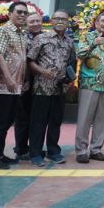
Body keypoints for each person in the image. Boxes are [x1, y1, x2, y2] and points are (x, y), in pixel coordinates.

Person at [0, 1, 30, 170]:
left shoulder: (22, 34)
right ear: (10, 14)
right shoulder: (3, 30)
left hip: (16, 85)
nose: (22, 15)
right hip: (4, 84)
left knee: (7, 121)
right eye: (19, 12)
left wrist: (21, 81)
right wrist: (9, 78)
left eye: (25, 13)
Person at [27, 10, 76, 166]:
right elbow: (30, 61)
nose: (60, 21)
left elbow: (71, 63)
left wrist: (69, 80)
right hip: (42, 87)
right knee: (38, 122)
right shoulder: (41, 38)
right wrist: (43, 71)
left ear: (68, 22)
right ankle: (35, 153)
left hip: (60, 89)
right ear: (52, 21)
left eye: (64, 19)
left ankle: (53, 151)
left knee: (55, 122)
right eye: (57, 19)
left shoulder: (69, 41)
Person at [75, 12, 104, 163]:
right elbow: (79, 54)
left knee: (103, 119)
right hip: (89, 83)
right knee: (85, 118)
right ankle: (81, 150)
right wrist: (94, 43)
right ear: (96, 23)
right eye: (102, 21)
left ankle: (96, 149)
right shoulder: (87, 37)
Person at [13, 12, 44, 161]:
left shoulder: (47, 37)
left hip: (43, 83)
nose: (36, 24)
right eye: (32, 21)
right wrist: (24, 80)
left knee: (38, 118)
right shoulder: (22, 38)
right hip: (25, 81)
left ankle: (35, 148)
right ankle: (21, 148)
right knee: (23, 118)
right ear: (26, 23)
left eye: (38, 21)